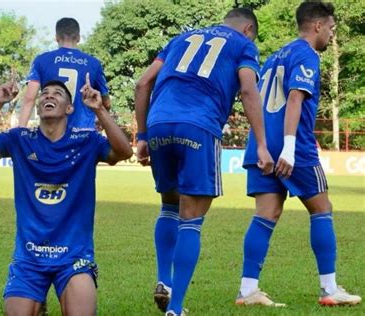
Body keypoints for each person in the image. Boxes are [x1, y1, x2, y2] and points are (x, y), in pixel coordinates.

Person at [135, 8, 274, 316]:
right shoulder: (243, 45)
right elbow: (249, 89)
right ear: (249, 28)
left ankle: (164, 280)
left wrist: (142, 135)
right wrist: (262, 144)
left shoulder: (180, 38)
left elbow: (143, 84)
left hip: (159, 123)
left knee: (169, 205)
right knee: (191, 219)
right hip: (198, 125)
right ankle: (176, 308)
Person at [0, 75, 132, 316]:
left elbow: (123, 151)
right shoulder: (20, 139)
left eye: (57, 93)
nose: (48, 96)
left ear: (69, 108)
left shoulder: (86, 141)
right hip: (29, 257)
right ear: (38, 105)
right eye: (44, 93)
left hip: (73, 257)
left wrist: (100, 111)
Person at [237, 1, 361, 307]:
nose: (332, 35)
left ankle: (248, 290)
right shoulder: (307, 54)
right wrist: (290, 149)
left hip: (262, 144)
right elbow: (295, 98)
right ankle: (330, 289)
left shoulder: (276, 55)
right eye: (331, 28)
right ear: (317, 25)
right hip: (293, 146)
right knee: (322, 209)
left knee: (266, 214)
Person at [19, 17, 111, 128]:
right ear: (78, 38)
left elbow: (29, 99)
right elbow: (106, 102)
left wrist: (19, 131)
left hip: (51, 133)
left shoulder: (41, 60)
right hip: (83, 134)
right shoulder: (94, 63)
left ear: (57, 38)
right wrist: (102, 118)